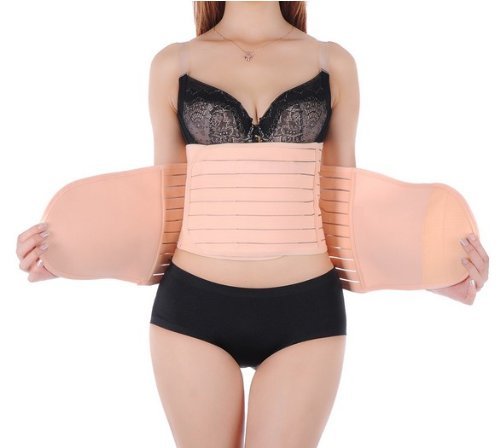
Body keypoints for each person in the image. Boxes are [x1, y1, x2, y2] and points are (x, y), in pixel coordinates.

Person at [15, 2, 490, 447]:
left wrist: (432, 273)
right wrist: (72, 256)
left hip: (307, 312)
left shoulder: (332, 62)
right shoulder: (173, 64)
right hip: (193, 309)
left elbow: (344, 203)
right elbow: (164, 203)